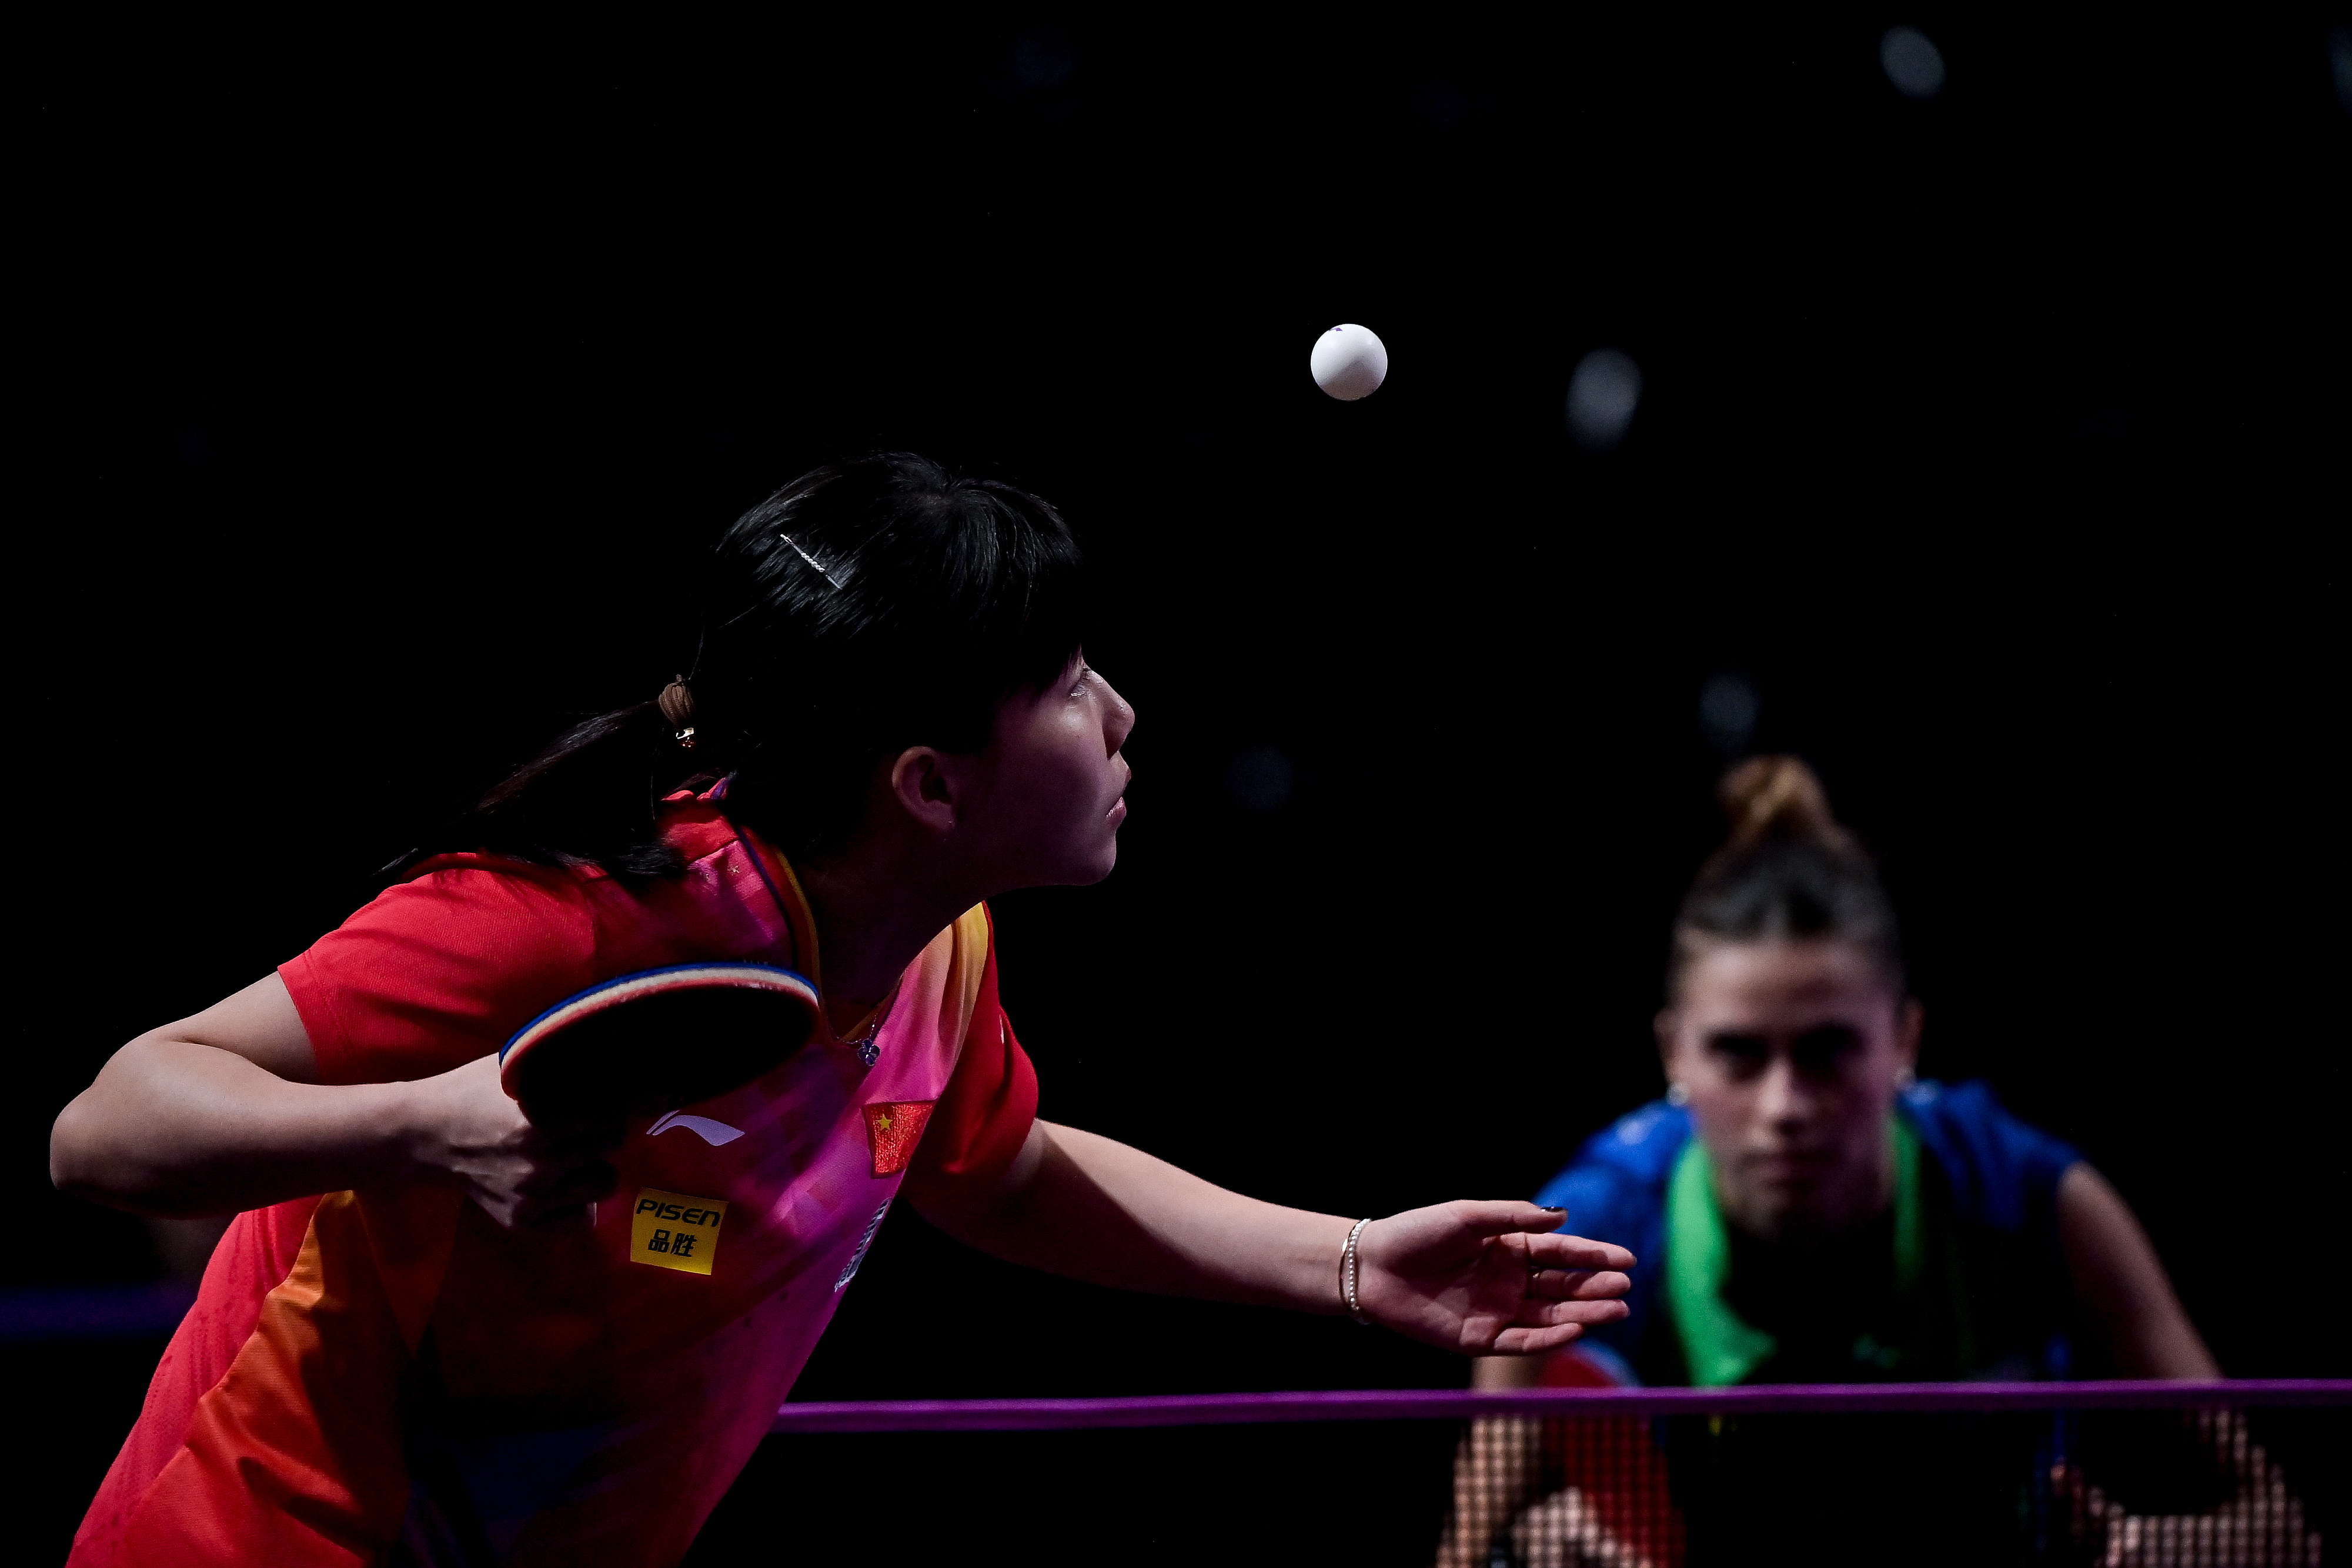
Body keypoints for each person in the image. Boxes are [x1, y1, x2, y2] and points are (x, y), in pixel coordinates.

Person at [51, 454, 1636, 1568]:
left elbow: (999, 1170)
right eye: (1070, 682)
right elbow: (111, 1122)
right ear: (930, 783)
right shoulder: (582, 911)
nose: (1124, 711)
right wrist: (428, 1123)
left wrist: (1353, 1263)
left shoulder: (935, 944)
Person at [1432, 757, 2316, 1567]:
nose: (1785, 1108)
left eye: (1828, 1052)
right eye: (1740, 1054)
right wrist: (1537, 1549)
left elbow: (2279, 1529)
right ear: (1675, 1055)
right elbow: (1467, 1557)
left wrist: (2138, 1550)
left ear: (1905, 1040)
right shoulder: (1572, 1247)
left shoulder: (2033, 1203)